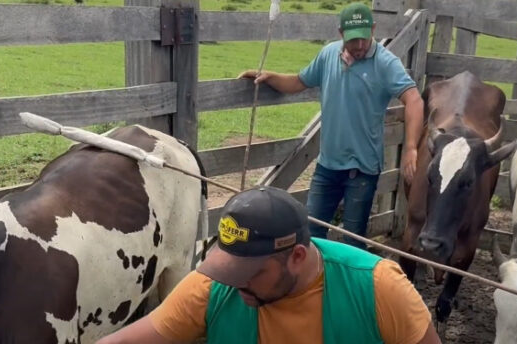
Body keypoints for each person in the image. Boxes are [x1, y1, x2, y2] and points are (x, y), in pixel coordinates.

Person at [97, 186, 441, 344]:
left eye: (250, 272)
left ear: (297, 257)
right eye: (228, 267)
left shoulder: (377, 287)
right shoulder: (216, 287)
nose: (235, 283)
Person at [237, 2, 424, 250]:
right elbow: (299, 82)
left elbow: (414, 99)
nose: (359, 46)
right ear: (340, 33)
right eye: (352, 40)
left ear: (373, 29)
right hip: (328, 165)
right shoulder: (328, 55)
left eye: (364, 39)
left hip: (363, 168)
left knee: (353, 238)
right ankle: (317, 282)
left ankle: (348, 285)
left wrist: (411, 147)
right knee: (311, 231)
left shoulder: (385, 63)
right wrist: (270, 77)